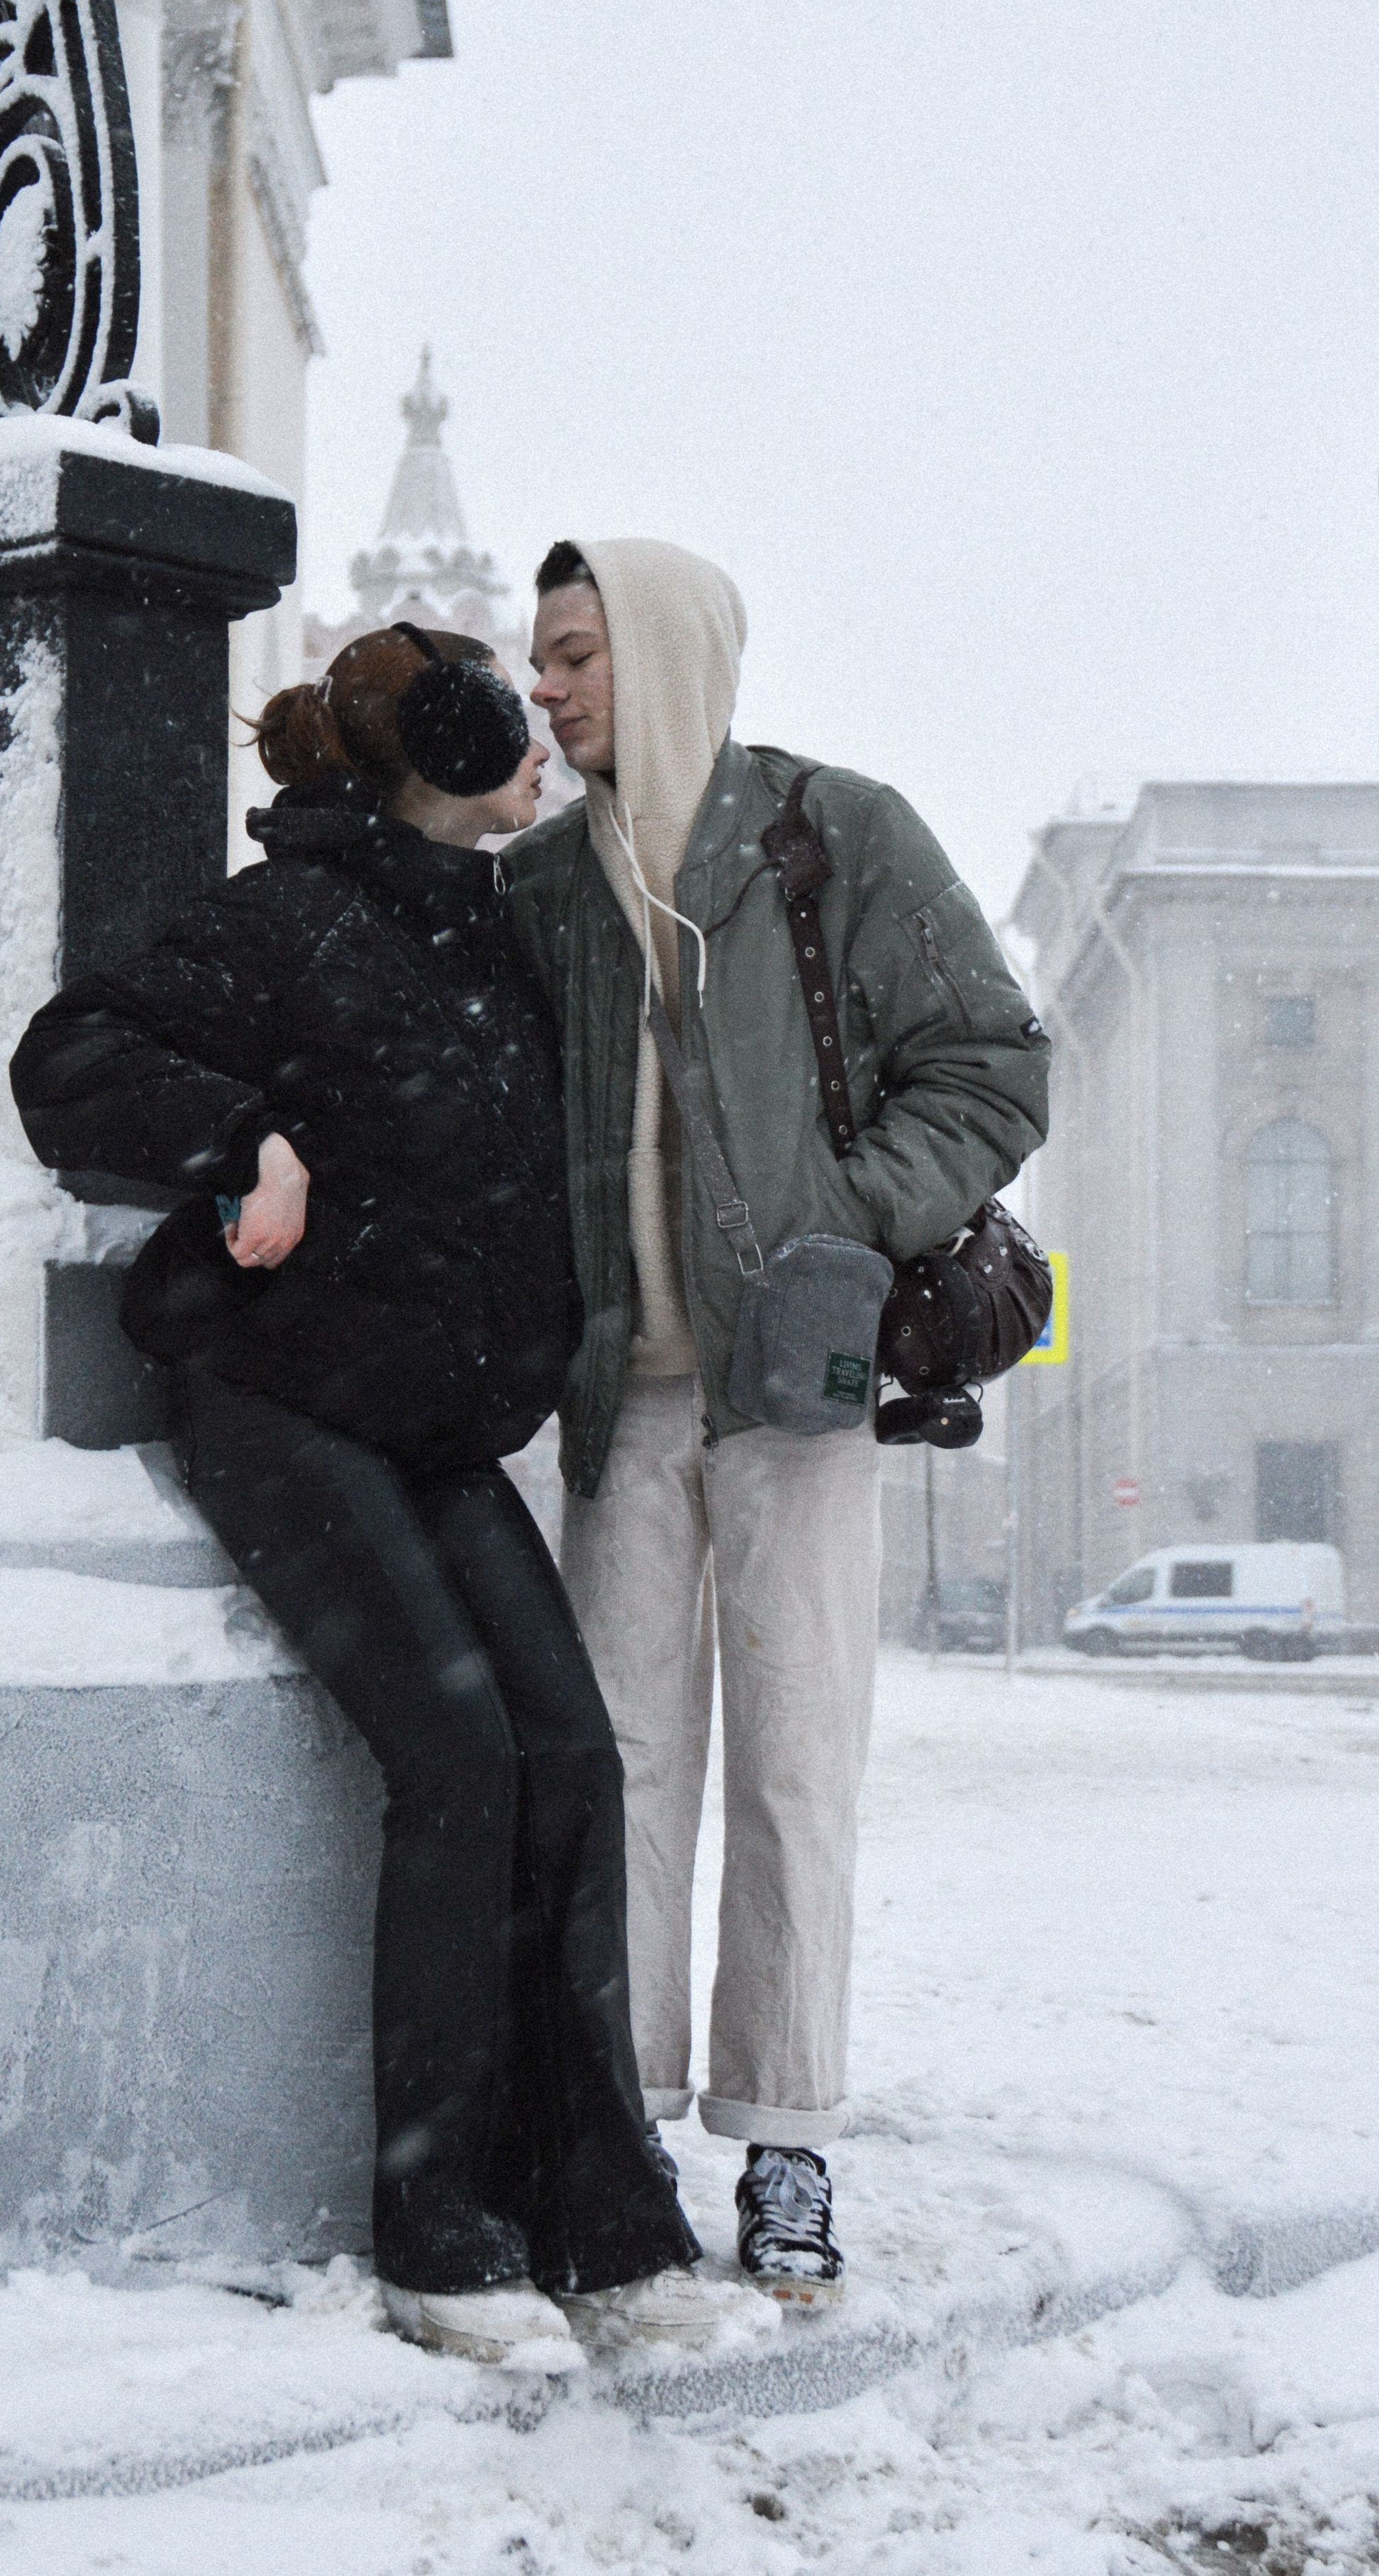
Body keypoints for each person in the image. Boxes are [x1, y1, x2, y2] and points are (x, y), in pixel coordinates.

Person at [10, 622, 728, 2364]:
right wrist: (246, 1137)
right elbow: (70, 1055)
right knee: (461, 1760)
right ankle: (441, 2230)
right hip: (278, 1399)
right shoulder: (288, 916)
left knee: (569, 1758)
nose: (539, 749)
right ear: (449, 736)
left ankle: (604, 2219)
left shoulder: (500, 927)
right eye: (511, 716)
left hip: (427, 1421)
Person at [503, 540, 1051, 2304]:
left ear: (657, 653)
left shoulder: (830, 834)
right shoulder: (542, 883)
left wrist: (846, 1225)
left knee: (797, 1762)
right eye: (538, 660)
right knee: (625, 1767)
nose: (549, 688)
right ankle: (627, 2122)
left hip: (798, 1391)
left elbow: (987, 1058)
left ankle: (786, 2131)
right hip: (622, 1397)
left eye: (577, 654)